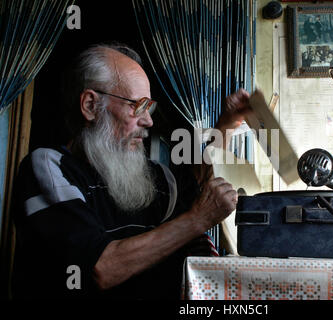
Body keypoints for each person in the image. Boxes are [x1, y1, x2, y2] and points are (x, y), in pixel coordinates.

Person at [11, 43, 252, 299]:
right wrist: (198, 219)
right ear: (91, 105)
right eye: (137, 106)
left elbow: (202, 186)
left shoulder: (147, 176)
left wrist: (227, 124)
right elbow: (100, 269)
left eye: (149, 108)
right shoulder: (48, 167)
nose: (148, 121)